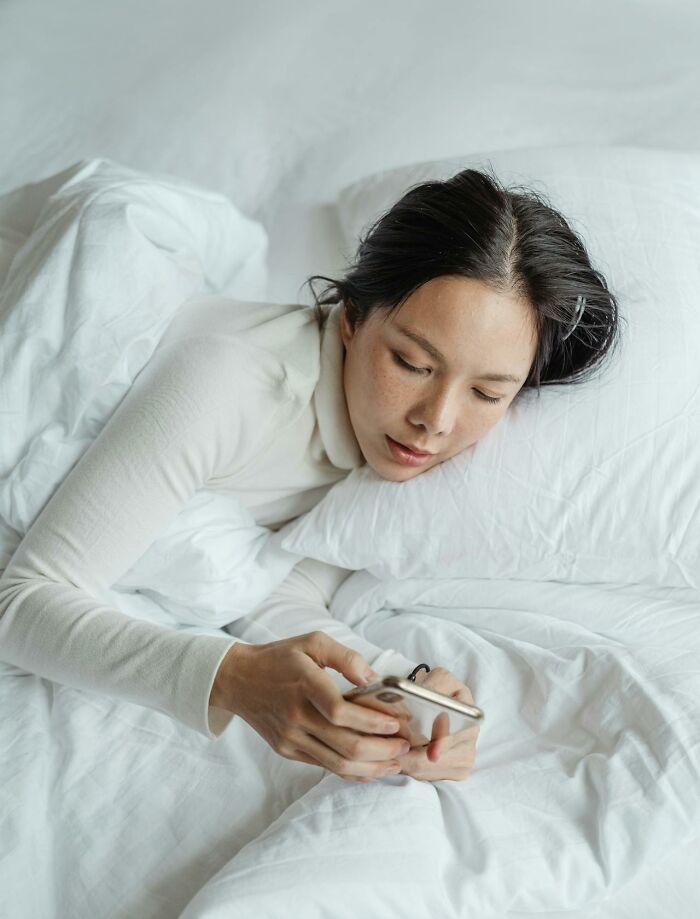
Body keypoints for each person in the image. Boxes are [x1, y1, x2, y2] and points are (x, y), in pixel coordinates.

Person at [0, 166, 619, 785]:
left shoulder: (397, 463)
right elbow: (23, 601)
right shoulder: (232, 385)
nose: (435, 421)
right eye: (411, 363)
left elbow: (271, 591)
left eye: (487, 393)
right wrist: (229, 677)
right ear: (350, 317)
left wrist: (402, 688)